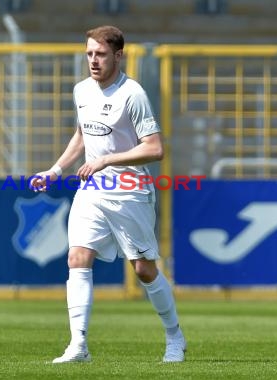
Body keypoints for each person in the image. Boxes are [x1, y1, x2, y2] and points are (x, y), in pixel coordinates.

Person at [30, 25, 186, 363]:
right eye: (89, 54)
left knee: (144, 269)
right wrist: (55, 170)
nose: (93, 61)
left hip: (131, 190)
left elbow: (155, 149)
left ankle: (175, 337)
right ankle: (78, 346)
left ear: (118, 55)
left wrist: (106, 160)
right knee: (77, 258)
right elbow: (82, 135)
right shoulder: (82, 91)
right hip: (92, 191)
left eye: (100, 54)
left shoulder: (133, 94)